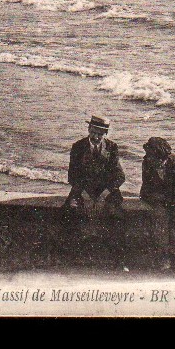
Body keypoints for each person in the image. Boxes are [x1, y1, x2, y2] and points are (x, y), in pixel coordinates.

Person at [65, 115, 128, 271]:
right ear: (88, 130)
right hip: (83, 191)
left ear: (105, 134)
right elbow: (72, 176)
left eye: (100, 134)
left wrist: (104, 195)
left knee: (117, 216)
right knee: (70, 212)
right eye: (93, 132)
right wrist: (84, 195)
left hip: (106, 192)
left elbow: (120, 176)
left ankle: (119, 260)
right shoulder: (78, 147)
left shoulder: (112, 148)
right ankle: (74, 258)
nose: (96, 137)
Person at [139, 137, 175, 272]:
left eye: (153, 157)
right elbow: (145, 190)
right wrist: (158, 200)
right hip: (160, 200)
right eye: (148, 156)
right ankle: (164, 257)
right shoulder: (147, 163)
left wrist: (168, 201)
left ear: (162, 157)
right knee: (159, 218)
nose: (150, 159)